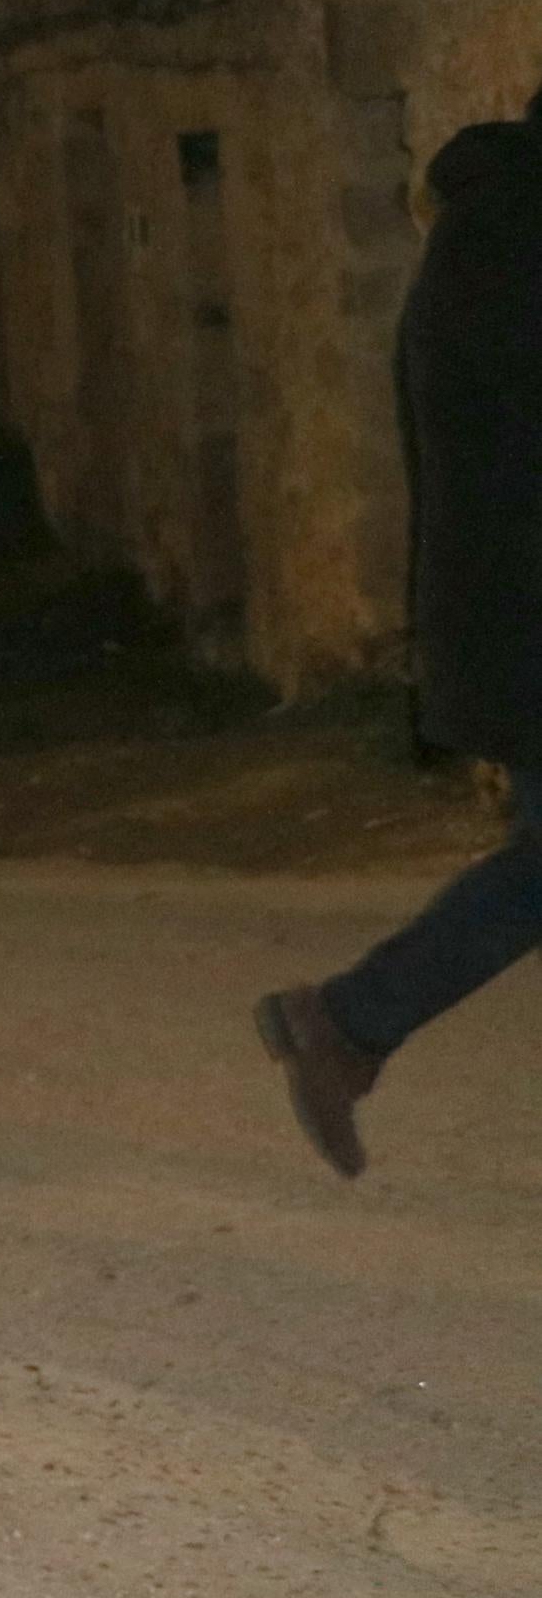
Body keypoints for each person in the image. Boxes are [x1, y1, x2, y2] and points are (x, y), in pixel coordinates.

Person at [261, 79, 542, 1173]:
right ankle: (344, 1021)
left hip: (503, 619)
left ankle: (345, 1023)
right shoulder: (517, 250)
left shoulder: (482, 236)